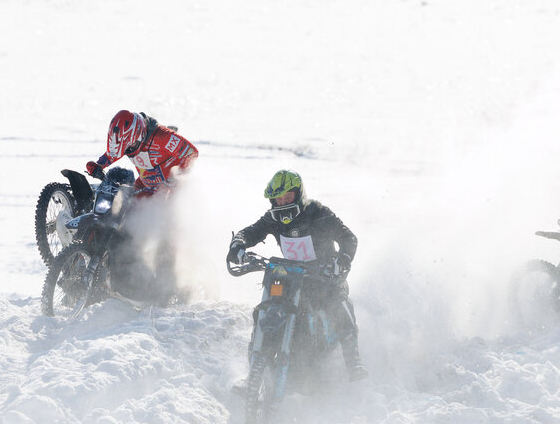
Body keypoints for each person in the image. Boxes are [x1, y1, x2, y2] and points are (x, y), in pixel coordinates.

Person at [226, 170, 368, 381]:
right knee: (263, 312)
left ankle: (354, 363)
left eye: (288, 197)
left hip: (326, 278)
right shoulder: (272, 218)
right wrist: (238, 245)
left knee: (339, 305)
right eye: (278, 198)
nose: (283, 202)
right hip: (291, 278)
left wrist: (342, 260)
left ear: (299, 194)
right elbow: (251, 232)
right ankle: (254, 375)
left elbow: (349, 237)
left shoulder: (317, 212)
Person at [85, 110, 199, 302]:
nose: (129, 151)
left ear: (138, 134)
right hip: (147, 184)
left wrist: (175, 176)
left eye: (131, 146)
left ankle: (166, 289)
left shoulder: (163, 137)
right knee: (123, 216)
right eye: (126, 148)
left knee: (167, 231)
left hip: (173, 190)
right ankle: (126, 268)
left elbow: (192, 153)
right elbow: (114, 153)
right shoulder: (129, 141)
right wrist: (99, 165)